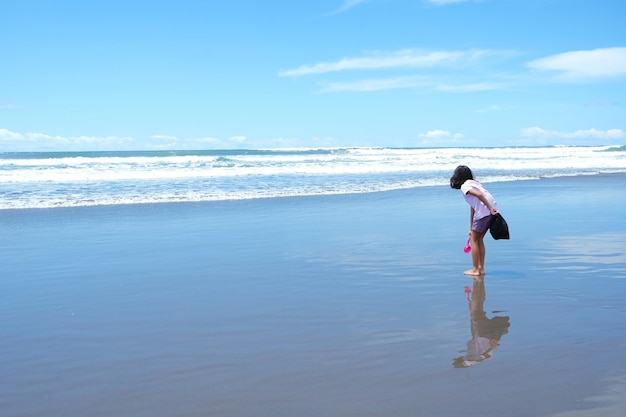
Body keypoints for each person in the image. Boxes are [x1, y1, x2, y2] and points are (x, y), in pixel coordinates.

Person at [450, 165, 498, 276]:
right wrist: (471, 227)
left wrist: (490, 208)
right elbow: (473, 207)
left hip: (486, 211)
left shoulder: (465, 186)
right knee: (479, 239)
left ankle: (476, 270)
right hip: (488, 211)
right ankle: (481, 268)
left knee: (474, 240)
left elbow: (479, 195)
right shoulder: (475, 184)